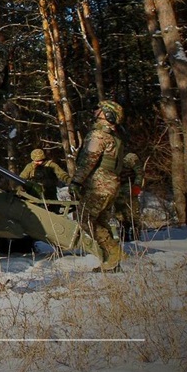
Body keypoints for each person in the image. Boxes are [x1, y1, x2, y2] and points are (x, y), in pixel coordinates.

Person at [69, 100, 127, 272]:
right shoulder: (115, 136)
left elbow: (88, 160)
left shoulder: (99, 135)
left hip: (99, 186)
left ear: (108, 114)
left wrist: (76, 182)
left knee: (84, 218)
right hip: (110, 185)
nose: (95, 111)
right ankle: (114, 259)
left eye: (98, 109)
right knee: (100, 220)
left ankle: (114, 254)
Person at [114, 152, 144, 242]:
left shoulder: (129, 156)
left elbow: (139, 172)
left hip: (130, 188)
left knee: (134, 213)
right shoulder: (111, 155)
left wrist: (137, 186)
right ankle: (124, 235)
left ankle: (136, 236)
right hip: (116, 189)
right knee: (120, 215)